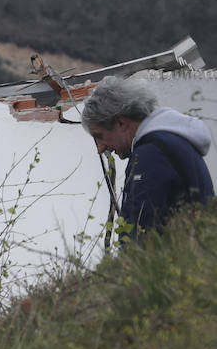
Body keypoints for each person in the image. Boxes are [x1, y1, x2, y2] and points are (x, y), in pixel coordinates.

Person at [80, 75, 214, 235]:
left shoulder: (151, 155)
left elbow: (139, 233)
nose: (101, 148)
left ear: (121, 123)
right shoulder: (172, 143)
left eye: (99, 136)